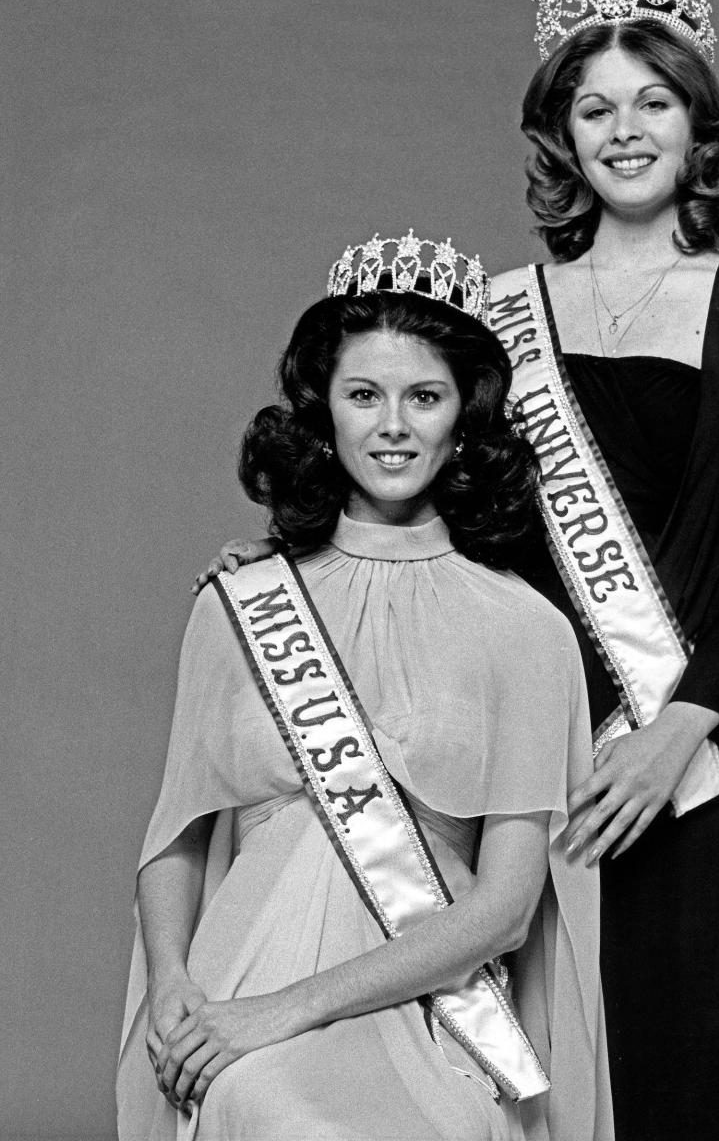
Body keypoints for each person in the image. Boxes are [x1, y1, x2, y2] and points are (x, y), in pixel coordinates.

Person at [195, 0, 719, 1140]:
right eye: (595, 106)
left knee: (660, 1078)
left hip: (672, 766)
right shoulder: (495, 313)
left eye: (653, 100)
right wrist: (295, 565)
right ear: (561, 134)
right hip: (500, 754)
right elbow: (427, 492)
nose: (625, 129)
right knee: (495, 1071)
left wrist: (665, 738)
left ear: (697, 122)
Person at [117, 232, 613, 1141]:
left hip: (421, 1003)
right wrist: (175, 989)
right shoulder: (240, 604)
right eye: (363, 395)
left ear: (465, 417)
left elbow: (506, 910)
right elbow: (174, 839)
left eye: (424, 396)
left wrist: (287, 1012)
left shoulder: (527, 631)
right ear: (324, 416)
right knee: (251, 1101)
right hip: (236, 987)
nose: (393, 425)